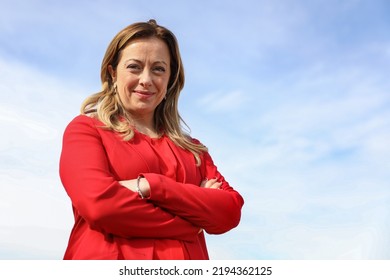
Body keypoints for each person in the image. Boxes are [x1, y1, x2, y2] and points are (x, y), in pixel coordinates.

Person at [59, 19, 244, 260]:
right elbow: (100, 207)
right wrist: (191, 222)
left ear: (170, 79)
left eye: (158, 69)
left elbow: (228, 212)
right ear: (113, 73)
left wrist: (151, 186)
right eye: (134, 67)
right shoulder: (87, 130)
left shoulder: (193, 150)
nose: (146, 79)